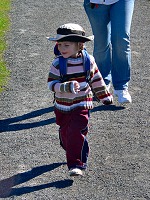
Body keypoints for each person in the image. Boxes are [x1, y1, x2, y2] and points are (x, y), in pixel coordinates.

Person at [47, 23, 113, 176]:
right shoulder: (57, 63)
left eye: (67, 45)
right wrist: (66, 87)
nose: (62, 48)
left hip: (82, 102)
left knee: (77, 131)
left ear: (80, 45)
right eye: (60, 44)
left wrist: (105, 97)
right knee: (66, 132)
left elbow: (96, 79)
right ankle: (68, 144)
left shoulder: (88, 61)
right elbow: (51, 84)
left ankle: (76, 164)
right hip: (62, 106)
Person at [84, 0, 135, 103]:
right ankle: (102, 83)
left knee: (121, 40)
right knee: (101, 44)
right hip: (96, 2)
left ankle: (121, 87)